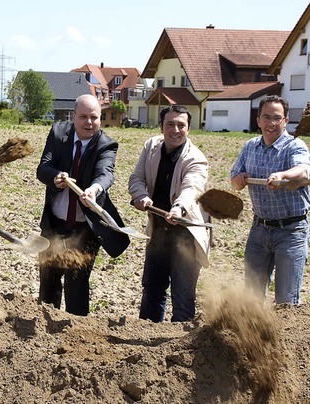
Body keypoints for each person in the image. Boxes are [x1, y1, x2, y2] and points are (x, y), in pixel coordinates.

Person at [37, 94, 130, 316]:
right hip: (54, 224)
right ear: (73, 116)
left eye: (94, 117)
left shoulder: (106, 144)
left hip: (85, 228)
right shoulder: (59, 133)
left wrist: (94, 190)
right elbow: (43, 168)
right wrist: (56, 177)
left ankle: (74, 330)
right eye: (83, 117)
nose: (89, 122)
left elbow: (106, 174)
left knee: (76, 283)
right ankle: (44, 325)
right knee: (48, 279)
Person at [128, 105, 211, 323]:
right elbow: (136, 178)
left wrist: (179, 208)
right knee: (151, 291)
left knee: (183, 298)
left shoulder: (196, 158)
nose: (175, 130)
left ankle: (177, 346)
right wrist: (141, 195)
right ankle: (146, 341)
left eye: (181, 125)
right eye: (170, 124)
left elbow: (192, 188)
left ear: (189, 128)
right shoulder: (151, 147)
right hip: (158, 233)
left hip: (185, 235)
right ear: (161, 126)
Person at [230, 95, 310, 304]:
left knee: (286, 299)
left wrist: (282, 176)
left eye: (277, 118)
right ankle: (255, 337)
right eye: (266, 117)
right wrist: (239, 180)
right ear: (258, 121)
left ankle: (286, 337)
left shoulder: (294, 146)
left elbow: (303, 170)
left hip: (291, 231)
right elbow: (235, 180)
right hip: (260, 229)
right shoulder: (250, 147)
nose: (271, 123)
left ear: (285, 121)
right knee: (252, 297)